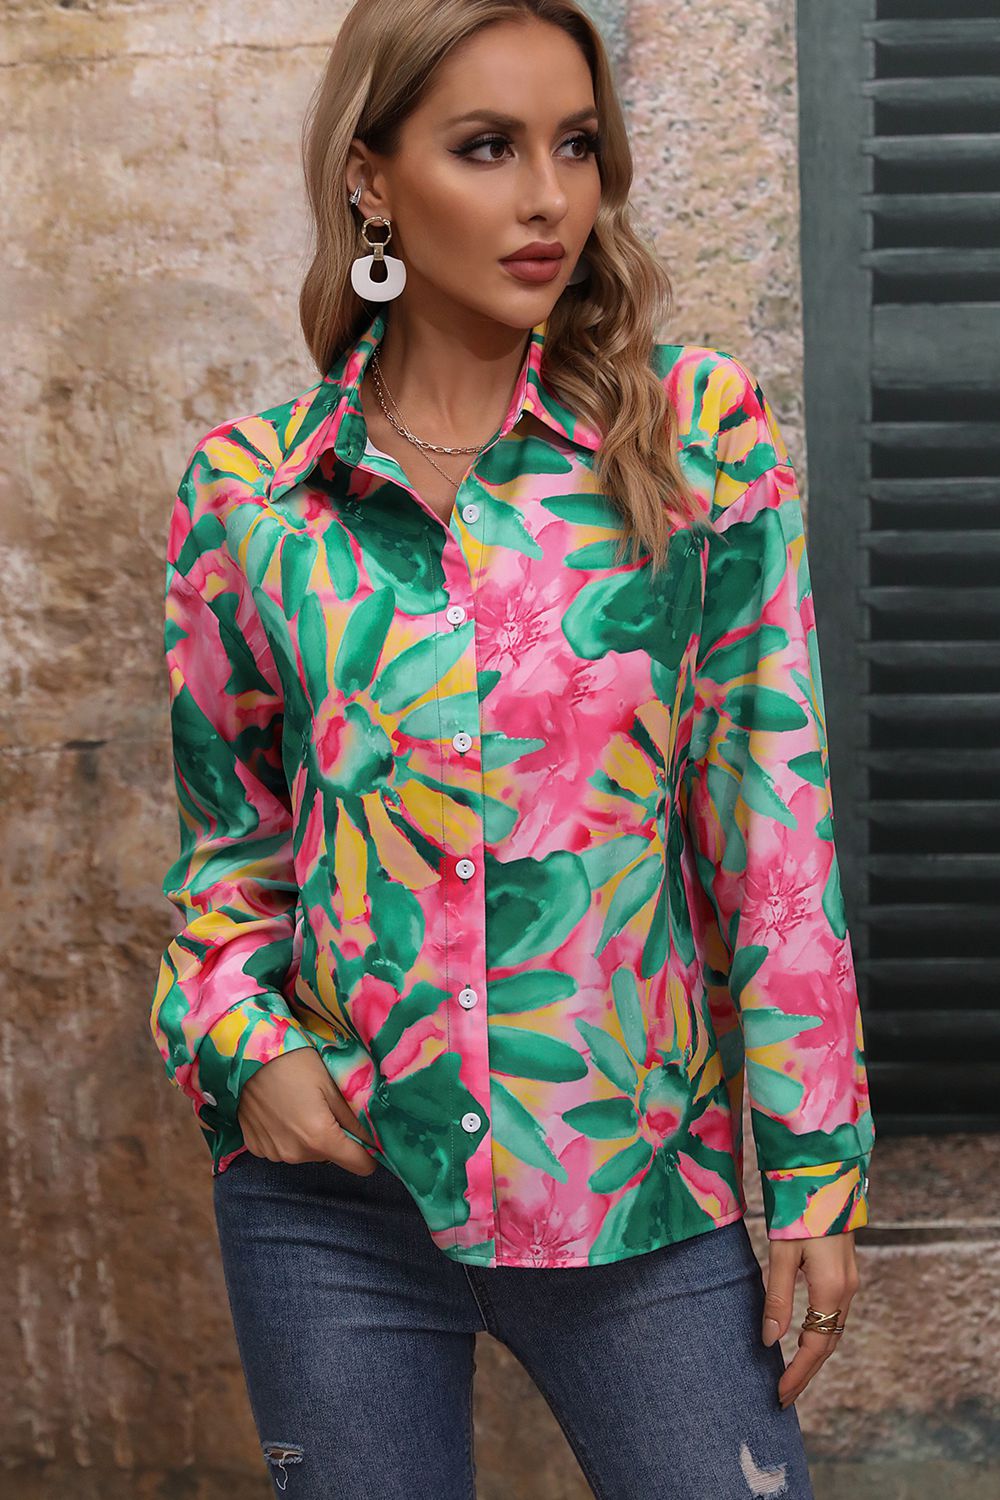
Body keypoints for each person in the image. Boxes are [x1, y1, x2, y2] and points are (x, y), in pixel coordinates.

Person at [150, 2, 876, 1495]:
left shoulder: (693, 437)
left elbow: (774, 824)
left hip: (631, 1180)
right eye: (488, 148)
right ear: (372, 179)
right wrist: (243, 1048)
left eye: (577, 146)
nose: (550, 197)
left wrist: (814, 1165)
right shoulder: (249, 495)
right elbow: (231, 856)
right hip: (334, 1197)